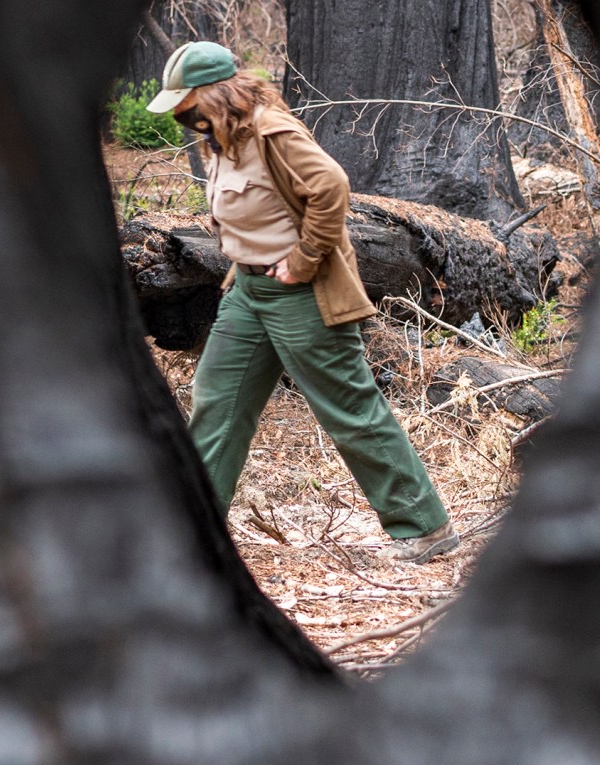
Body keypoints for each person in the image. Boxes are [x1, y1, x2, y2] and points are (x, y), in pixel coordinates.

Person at [146, 41, 459, 562]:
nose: (182, 113)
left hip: (301, 293)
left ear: (213, 93)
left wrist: (305, 258)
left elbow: (331, 186)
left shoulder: (272, 131)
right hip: (246, 291)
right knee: (217, 399)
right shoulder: (221, 138)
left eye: (186, 101)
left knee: (348, 407)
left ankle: (424, 526)